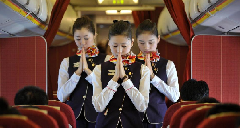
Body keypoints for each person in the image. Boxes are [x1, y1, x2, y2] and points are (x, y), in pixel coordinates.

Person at [92, 20, 150, 128]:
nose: (119, 50)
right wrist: (114, 80)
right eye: (115, 46)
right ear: (109, 43)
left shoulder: (143, 70)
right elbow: (98, 107)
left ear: (132, 43)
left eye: (124, 46)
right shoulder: (99, 69)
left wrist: (125, 79)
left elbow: (142, 106)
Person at [57, 16, 108, 128]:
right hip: (73, 118)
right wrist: (77, 73)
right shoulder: (66, 62)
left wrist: (88, 72)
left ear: (94, 35)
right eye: (78, 39)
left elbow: (107, 90)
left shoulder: (106, 60)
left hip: (98, 116)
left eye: (86, 38)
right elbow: (61, 96)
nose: (82, 43)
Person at [135, 19, 180, 127]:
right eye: (141, 43)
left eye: (151, 42)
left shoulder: (168, 65)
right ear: (136, 41)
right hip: (134, 120)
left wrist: (153, 77)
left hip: (158, 120)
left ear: (158, 39)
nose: (146, 47)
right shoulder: (130, 63)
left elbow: (175, 96)